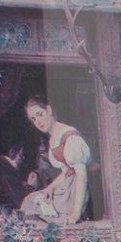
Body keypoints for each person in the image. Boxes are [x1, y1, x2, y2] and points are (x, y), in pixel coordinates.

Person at [17, 95, 91, 226]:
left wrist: (76, 213)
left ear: (49, 110)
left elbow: (82, 176)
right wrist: (50, 188)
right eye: (33, 119)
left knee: (32, 207)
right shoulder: (52, 137)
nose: (38, 122)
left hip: (74, 194)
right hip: (65, 187)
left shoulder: (69, 136)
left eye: (39, 114)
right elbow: (68, 171)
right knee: (30, 201)